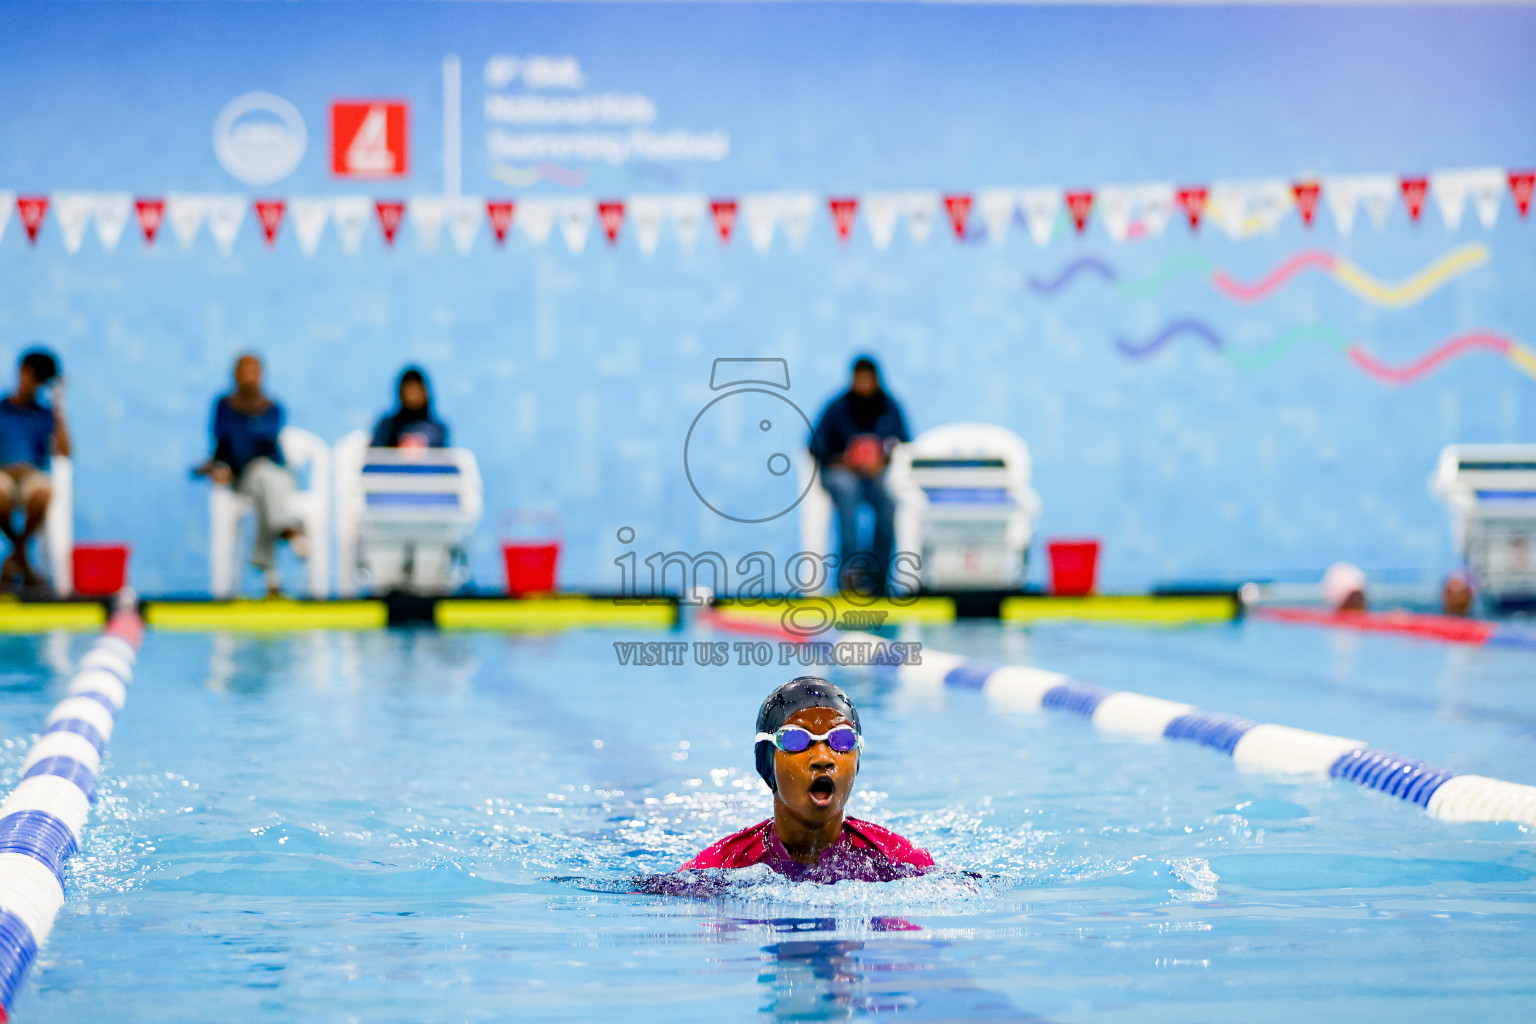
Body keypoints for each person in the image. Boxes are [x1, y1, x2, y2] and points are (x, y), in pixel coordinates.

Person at [679, 677, 934, 883]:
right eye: (795, 739)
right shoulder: (718, 867)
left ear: (857, 760)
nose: (823, 758)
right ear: (767, 762)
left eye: (841, 739)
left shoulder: (899, 861)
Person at [194, 354, 306, 597]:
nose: (248, 378)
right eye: (243, 372)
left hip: (277, 476)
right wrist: (218, 466)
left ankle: (271, 574)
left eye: (253, 372)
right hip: (245, 479)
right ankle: (289, 529)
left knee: (268, 478)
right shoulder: (224, 407)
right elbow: (223, 443)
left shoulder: (273, 409)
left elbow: (263, 443)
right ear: (234, 375)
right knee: (263, 477)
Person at [811, 357, 910, 595]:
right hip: (841, 474)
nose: (864, 385)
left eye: (868, 380)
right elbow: (815, 446)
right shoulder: (836, 408)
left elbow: (904, 444)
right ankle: (851, 573)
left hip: (875, 478)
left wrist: (881, 460)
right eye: (859, 379)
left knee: (888, 500)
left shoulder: (889, 407)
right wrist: (845, 460)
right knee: (847, 490)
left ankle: (877, 575)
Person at [0, 349, 70, 588]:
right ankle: (24, 561)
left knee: (42, 493)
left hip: (31, 474)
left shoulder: (45, 415)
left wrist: (59, 407)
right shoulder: (2, 409)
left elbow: (64, 451)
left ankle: (14, 559)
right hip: (3, 473)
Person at [370, 366, 449, 449]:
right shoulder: (388, 426)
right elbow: (376, 453)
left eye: (417, 389)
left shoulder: (437, 430)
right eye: (409, 389)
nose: (413, 395)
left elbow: (440, 454)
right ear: (401, 393)